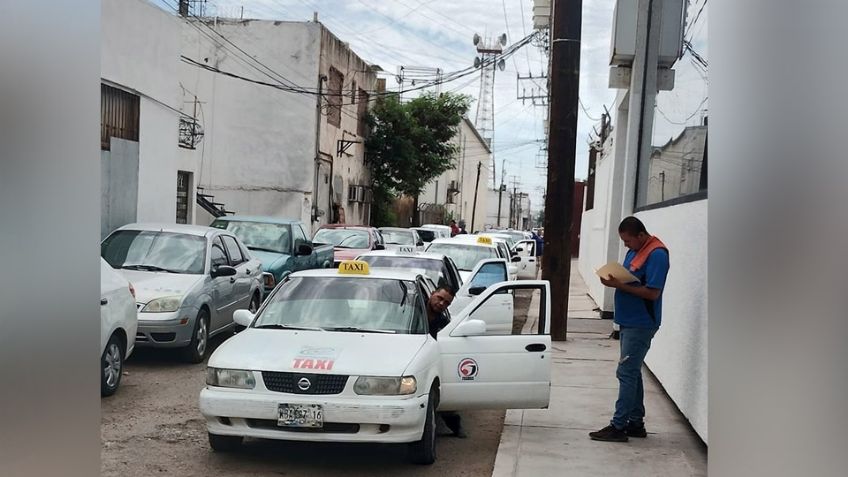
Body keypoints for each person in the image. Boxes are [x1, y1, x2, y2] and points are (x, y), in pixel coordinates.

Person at [589, 216, 669, 443]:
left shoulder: (657, 255)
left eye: (628, 241)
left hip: (641, 323)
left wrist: (619, 285)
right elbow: (631, 279)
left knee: (625, 372)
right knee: (632, 372)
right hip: (628, 321)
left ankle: (618, 426)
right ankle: (635, 423)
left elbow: (653, 293)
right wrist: (613, 280)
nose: (625, 245)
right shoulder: (636, 251)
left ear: (641, 236)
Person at [425, 285, 467, 438]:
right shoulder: (415, 310)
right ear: (432, 294)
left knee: (443, 394)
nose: (442, 304)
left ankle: (455, 426)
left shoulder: (443, 321)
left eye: (447, 303)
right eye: (440, 298)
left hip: (433, 358)